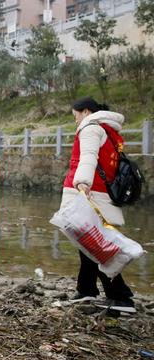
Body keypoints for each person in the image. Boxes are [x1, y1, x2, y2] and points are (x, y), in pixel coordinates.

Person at [61, 96, 135, 313]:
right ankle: (86, 290)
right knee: (89, 245)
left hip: (90, 193)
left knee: (97, 247)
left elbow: (88, 157)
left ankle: (121, 297)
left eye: (75, 114)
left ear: (84, 111)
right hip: (103, 193)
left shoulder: (91, 128)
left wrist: (83, 182)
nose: (75, 119)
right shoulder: (110, 131)